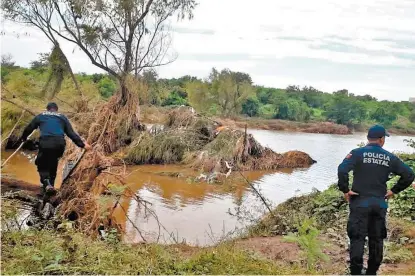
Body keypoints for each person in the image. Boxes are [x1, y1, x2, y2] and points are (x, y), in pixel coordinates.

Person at [337, 125, 415, 275]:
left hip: (359, 203)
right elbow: (409, 175)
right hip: (379, 204)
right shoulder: (389, 157)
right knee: (377, 239)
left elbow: (342, 169)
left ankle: (355, 272)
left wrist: (345, 190)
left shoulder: (357, 153)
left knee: (357, 239)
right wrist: (393, 191)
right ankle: (372, 272)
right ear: (381, 139)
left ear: (368, 138)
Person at [19, 102, 92, 195]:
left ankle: (46, 183)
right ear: (57, 110)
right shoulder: (62, 117)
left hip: (46, 142)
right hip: (59, 143)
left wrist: (23, 138)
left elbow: (29, 128)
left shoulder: (41, 116)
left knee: (41, 163)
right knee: (53, 163)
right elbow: (71, 133)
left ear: (47, 109)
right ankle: (50, 188)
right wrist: (82, 145)